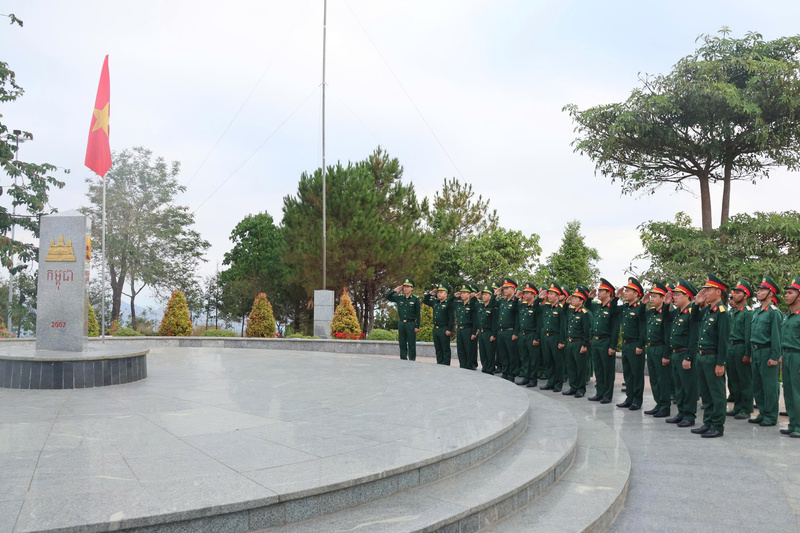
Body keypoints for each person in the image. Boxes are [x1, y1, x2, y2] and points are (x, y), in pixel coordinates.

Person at [689, 273, 730, 438]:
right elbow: (693, 319)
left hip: (713, 358)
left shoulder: (722, 312)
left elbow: (723, 341)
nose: (705, 292)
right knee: (706, 394)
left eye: (708, 289)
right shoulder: (708, 310)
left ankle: (717, 426)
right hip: (702, 357)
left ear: (719, 292)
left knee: (717, 394)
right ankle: (708, 423)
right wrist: (697, 303)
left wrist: (721, 363)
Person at [666, 278, 701, 428]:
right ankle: (681, 413)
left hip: (685, 354)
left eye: (677, 294)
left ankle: (689, 415)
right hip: (676, 354)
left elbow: (694, 338)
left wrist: (689, 357)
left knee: (689, 387)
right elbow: (666, 319)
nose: (674, 297)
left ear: (687, 296)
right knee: (679, 387)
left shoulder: (692, 313)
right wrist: (666, 304)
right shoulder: (678, 313)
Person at [749, 275, 783, 427]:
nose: (759, 292)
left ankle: (770, 416)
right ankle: (762, 412)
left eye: (763, 290)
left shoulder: (774, 312)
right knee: (757, 385)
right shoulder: (757, 312)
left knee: (769, 386)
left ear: (771, 294)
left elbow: (777, 336)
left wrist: (775, 356)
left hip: (767, 351)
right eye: (759, 289)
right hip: (756, 351)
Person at [585, 278, 621, 403]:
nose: (598, 293)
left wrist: (613, 346)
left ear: (609, 293)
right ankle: (599, 392)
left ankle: (607, 395)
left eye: (601, 291)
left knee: (608, 370)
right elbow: (587, 307)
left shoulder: (613, 308)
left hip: (606, 341)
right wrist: (589, 298)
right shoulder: (598, 306)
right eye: (599, 290)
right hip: (596, 341)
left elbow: (615, 329)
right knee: (598, 369)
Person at [642, 282, 674, 417]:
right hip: (651, 348)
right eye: (651, 296)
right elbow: (640, 316)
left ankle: (665, 406)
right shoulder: (651, 313)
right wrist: (643, 304)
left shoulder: (666, 315)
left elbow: (668, 336)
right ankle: (658, 404)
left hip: (660, 349)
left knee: (663, 380)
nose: (652, 299)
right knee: (654, 379)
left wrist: (666, 354)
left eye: (655, 296)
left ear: (663, 298)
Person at [727, 279, 754, 420]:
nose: (734, 295)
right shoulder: (734, 312)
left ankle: (746, 408)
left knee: (745, 380)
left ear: (745, 295)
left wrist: (747, 353)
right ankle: (737, 406)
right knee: (734, 379)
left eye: (738, 293)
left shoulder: (748, 313)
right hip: (731, 346)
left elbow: (748, 334)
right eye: (734, 292)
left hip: (741, 346)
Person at [617, 277, 646, 410]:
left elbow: (643, 328)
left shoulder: (640, 308)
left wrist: (640, 345)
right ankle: (629, 398)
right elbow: (612, 311)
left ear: (636, 294)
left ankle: (637, 400)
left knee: (637, 374)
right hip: (626, 344)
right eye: (626, 290)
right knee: (627, 373)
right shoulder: (625, 308)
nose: (625, 293)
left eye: (628, 291)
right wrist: (616, 298)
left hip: (635, 345)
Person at [563, 285, 592, 398]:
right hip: (570, 342)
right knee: (571, 366)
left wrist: (585, 344)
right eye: (573, 297)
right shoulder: (571, 311)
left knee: (580, 367)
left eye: (576, 298)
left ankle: (580, 389)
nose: (573, 299)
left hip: (579, 343)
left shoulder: (584, 313)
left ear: (581, 300)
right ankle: (573, 387)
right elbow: (563, 311)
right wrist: (567, 302)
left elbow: (587, 330)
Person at [538, 282, 566, 392]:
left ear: (557, 296)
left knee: (558, 362)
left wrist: (562, 341)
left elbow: (563, 326)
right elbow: (535, 308)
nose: (549, 296)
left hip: (556, 337)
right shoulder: (546, 308)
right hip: (546, 338)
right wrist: (539, 298)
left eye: (551, 294)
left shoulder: (561, 309)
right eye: (548, 293)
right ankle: (550, 382)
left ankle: (558, 383)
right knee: (548, 361)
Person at [781, 277, 800, 438]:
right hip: (786, 355)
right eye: (786, 292)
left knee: (797, 392)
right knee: (788, 392)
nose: (786, 295)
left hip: (797, 356)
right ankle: (793, 423)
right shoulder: (787, 315)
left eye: (790, 293)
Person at [384, 277, 421, 361]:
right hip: (401, 323)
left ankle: (412, 361)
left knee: (411, 344)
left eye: (408, 287)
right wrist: (394, 291)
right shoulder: (399, 298)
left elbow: (418, 314)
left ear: (411, 288)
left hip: (411, 324)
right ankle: (403, 360)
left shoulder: (415, 299)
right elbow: (387, 297)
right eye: (404, 286)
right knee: (402, 343)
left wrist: (417, 326)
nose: (406, 288)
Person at [494, 278, 520, 381]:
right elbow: (492, 304)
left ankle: (512, 374)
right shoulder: (502, 301)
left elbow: (518, 318)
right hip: (501, 331)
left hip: (510, 331)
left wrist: (515, 332)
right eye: (504, 288)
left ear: (513, 289)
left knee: (512, 354)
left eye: (507, 288)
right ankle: (505, 372)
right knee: (503, 354)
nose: (505, 290)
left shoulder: (516, 301)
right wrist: (496, 295)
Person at [423, 283, 455, 365]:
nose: (439, 294)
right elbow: (425, 300)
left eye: (441, 292)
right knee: (438, 349)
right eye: (438, 292)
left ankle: (446, 365)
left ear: (446, 294)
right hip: (436, 329)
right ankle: (439, 364)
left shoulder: (448, 303)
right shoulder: (435, 302)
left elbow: (451, 318)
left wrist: (449, 329)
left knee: (445, 349)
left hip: (444, 329)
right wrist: (430, 294)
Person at [516, 283, 541, 386]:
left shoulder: (536, 307)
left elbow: (539, 324)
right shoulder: (523, 306)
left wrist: (537, 338)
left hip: (532, 334)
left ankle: (533, 379)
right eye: (524, 293)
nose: (524, 294)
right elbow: (514, 307)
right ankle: (526, 377)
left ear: (533, 294)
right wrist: (517, 298)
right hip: (523, 334)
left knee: (533, 358)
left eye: (527, 293)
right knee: (524, 357)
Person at [453, 283, 477, 369]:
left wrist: (473, 333)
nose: (462, 294)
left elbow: (475, 320)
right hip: (460, 329)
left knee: (469, 349)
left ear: (469, 294)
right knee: (461, 350)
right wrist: (454, 296)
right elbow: (449, 303)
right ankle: (462, 366)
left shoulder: (472, 305)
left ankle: (469, 366)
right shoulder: (459, 305)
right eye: (461, 293)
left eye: (465, 293)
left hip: (468, 329)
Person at [476, 284, 498, 374]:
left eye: (486, 294)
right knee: (482, 352)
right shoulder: (480, 307)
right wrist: (475, 297)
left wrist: (493, 334)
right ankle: (484, 367)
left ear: (490, 296)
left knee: (489, 352)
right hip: (481, 332)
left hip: (489, 333)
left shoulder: (493, 308)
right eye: (483, 294)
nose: (484, 296)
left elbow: (494, 322)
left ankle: (490, 368)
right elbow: (473, 304)